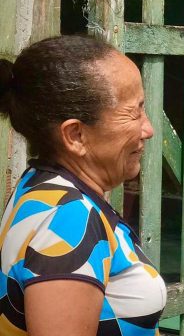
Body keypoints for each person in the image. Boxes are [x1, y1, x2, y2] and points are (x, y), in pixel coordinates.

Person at [0, 36, 165, 335]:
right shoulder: (68, 219)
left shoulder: (39, 183)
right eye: (134, 111)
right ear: (76, 135)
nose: (148, 129)